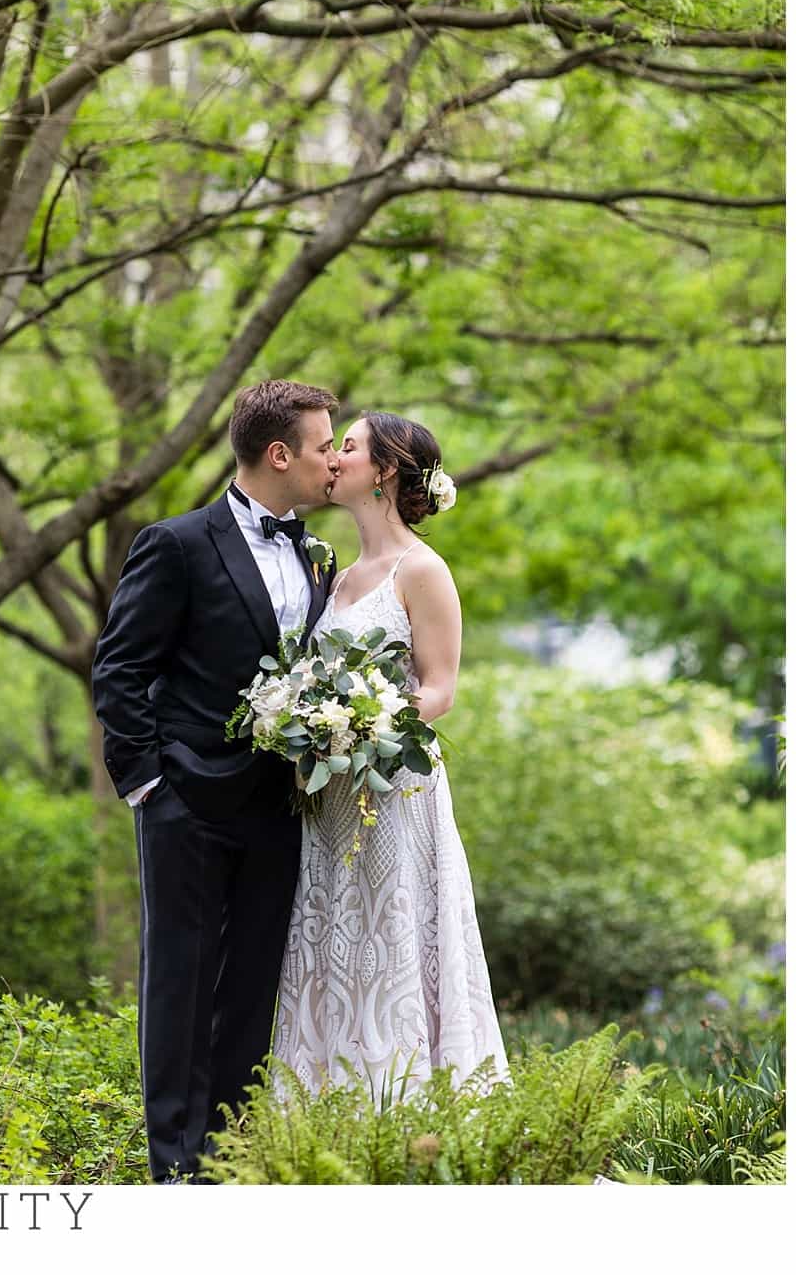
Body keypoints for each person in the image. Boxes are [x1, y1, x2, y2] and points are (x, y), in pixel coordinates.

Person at [91, 379, 341, 1182]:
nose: (333, 459)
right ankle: (174, 1169)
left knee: (251, 988)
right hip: (185, 803)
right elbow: (121, 667)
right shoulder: (177, 543)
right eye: (322, 445)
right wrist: (147, 787)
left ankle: (227, 1161)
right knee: (180, 984)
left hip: (279, 806)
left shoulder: (318, 556)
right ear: (279, 454)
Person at [270, 412, 506, 1100]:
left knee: (393, 941)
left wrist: (362, 723)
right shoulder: (334, 576)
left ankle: (404, 1106)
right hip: (331, 799)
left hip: (394, 790)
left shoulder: (422, 570)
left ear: (386, 470)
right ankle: (322, 1113)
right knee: (332, 940)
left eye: (348, 445)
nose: (334, 456)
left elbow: (441, 689)